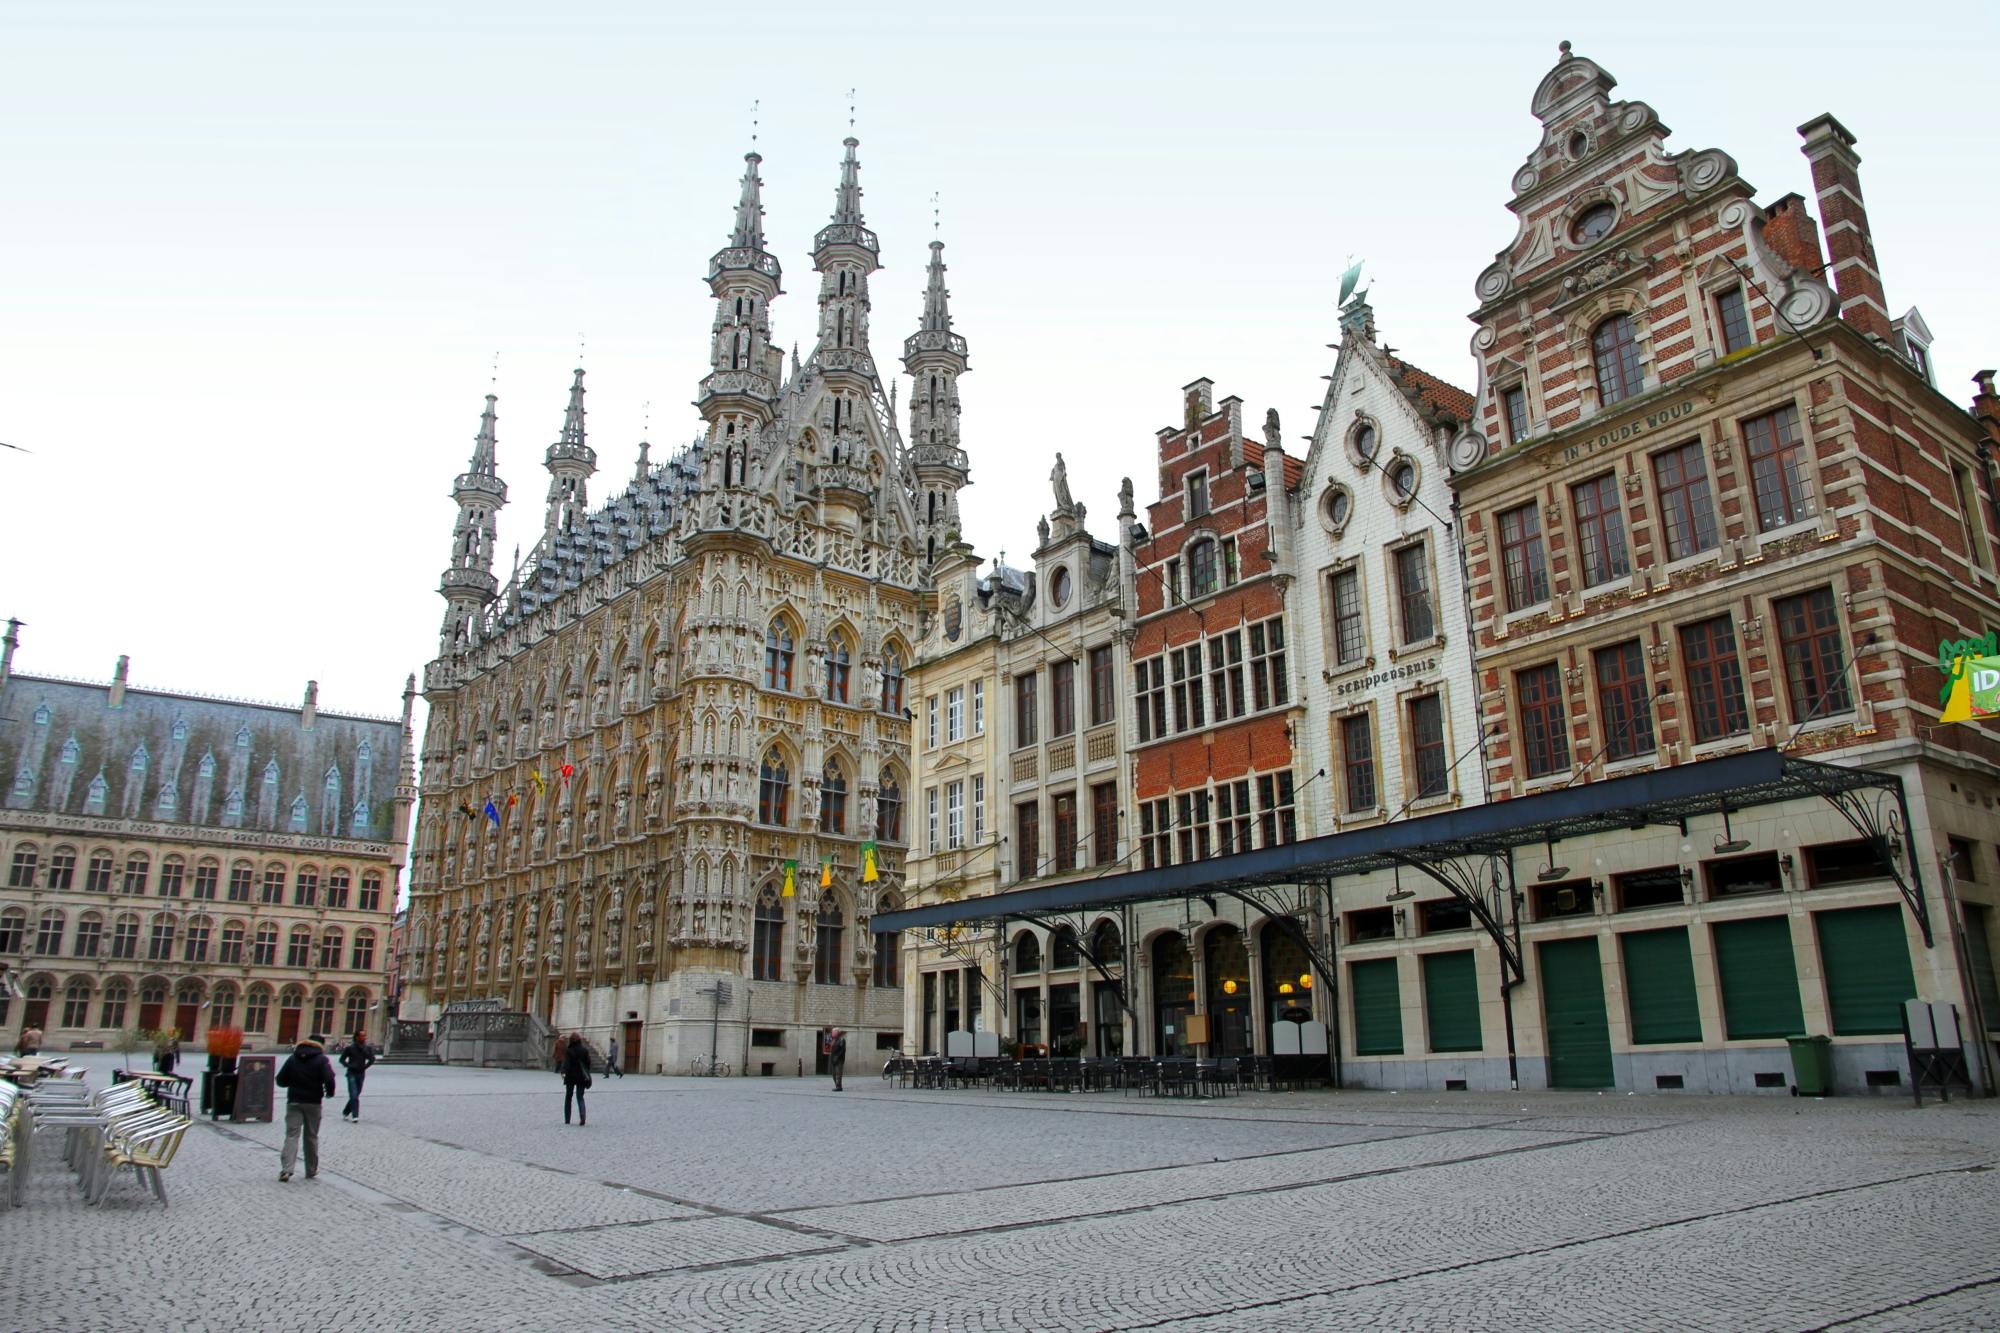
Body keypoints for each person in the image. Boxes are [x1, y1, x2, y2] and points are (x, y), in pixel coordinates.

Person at [274, 1033, 337, 1182]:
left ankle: (286, 1169)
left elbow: (281, 1080)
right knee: (311, 1136)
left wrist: (292, 1082)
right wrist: (329, 1092)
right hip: (313, 1102)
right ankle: (311, 1169)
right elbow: (329, 1078)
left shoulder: (293, 1058)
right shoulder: (322, 1059)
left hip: (294, 1101)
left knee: (291, 1135)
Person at [339, 1029, 377, 1121]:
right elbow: (342, 1059)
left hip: (361, 1073)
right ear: (357, 1037)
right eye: (362, 1036)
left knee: (356, 1094)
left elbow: (372, 1059)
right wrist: (348, 1065)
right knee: (353, 1094)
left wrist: (365, 1067)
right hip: (351, 1073)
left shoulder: (367, 1048)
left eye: (365, 1036)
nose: (364, 1037)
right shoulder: (350, 1048)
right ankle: (355, 1115)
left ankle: (346, 1111)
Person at [560, 1030, 592, 1126]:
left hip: (570, 1077)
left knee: (568, 1097)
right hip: (581, 1077)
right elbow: (588, 1063)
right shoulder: (584, 1050)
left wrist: (563, 1072)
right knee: (580, 1097)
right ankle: (582, 1116)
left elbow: (567, 1064)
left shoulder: (569, 1051)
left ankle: (567, 1119)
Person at [828, 1027, 847, 1092]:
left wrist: (837, 1057)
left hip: (839, 1059)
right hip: (833, 1059)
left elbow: (842, 1050)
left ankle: (839, 1086)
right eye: (832, 1032)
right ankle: (837, 1085)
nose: (832, 1033)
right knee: (833, 1074)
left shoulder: (841, 1040)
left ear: (837, 1033)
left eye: (833, 1032)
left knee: (838, 1073)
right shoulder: (834, 1040)